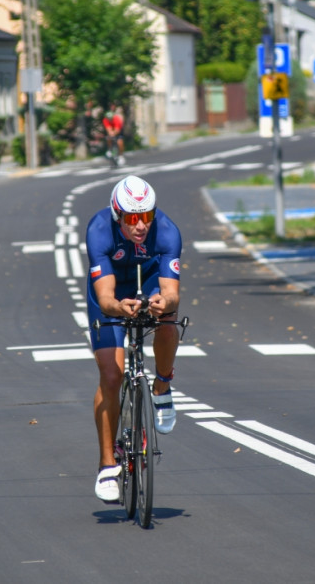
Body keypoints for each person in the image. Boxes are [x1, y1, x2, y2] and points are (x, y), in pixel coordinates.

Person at [85, 175, 182, 503]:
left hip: (149, 278)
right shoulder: (99, 230)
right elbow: (107, 297)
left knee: (169, 322)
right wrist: (118, 308)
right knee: (111, 375)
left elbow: (171, 293)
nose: (141, 225)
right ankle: (107, 464)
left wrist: (162, 303)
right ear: (117, 215)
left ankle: (162, 387)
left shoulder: (167, 231)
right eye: (132, 218)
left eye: (147, 216)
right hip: (112, 292)